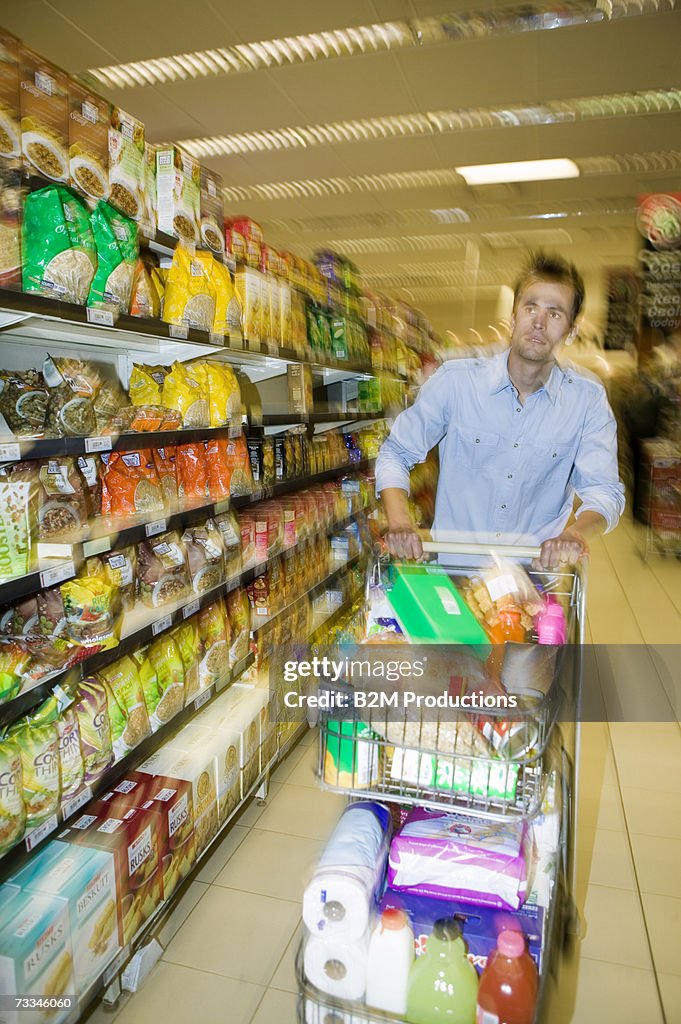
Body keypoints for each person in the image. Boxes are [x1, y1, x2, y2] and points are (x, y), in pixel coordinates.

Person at [376, 251, 625, 568]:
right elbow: (396, 452)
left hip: (532, 583)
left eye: (555, 313)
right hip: (456, 578)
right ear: (513, 317)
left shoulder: (586, 401)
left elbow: (604, 492)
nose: (538, 322)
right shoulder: (457, 382)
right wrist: (399, 522)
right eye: (530, 307)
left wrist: (575, 533)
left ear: (572, 330)